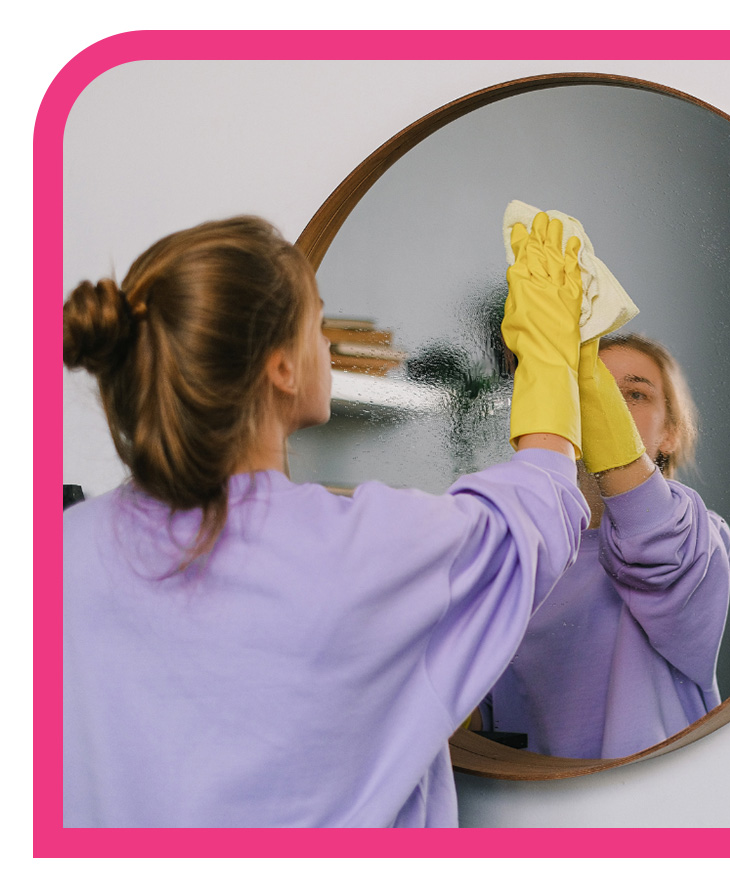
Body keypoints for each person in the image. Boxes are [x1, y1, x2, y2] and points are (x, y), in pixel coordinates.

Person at [62, 213, 589, 827]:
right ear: (282, 368)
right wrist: (552, 360)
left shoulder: (59, 553)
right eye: (318, 323)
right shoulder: (365, 551)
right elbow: (529, 524)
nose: (325, 346)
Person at [480, 332, 730, 760]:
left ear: (670, 433)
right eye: (590, 390)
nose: (610, 408)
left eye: (634, 394)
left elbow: (653, 544)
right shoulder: (517, 548)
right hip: (528, 805)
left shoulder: (699, 537)